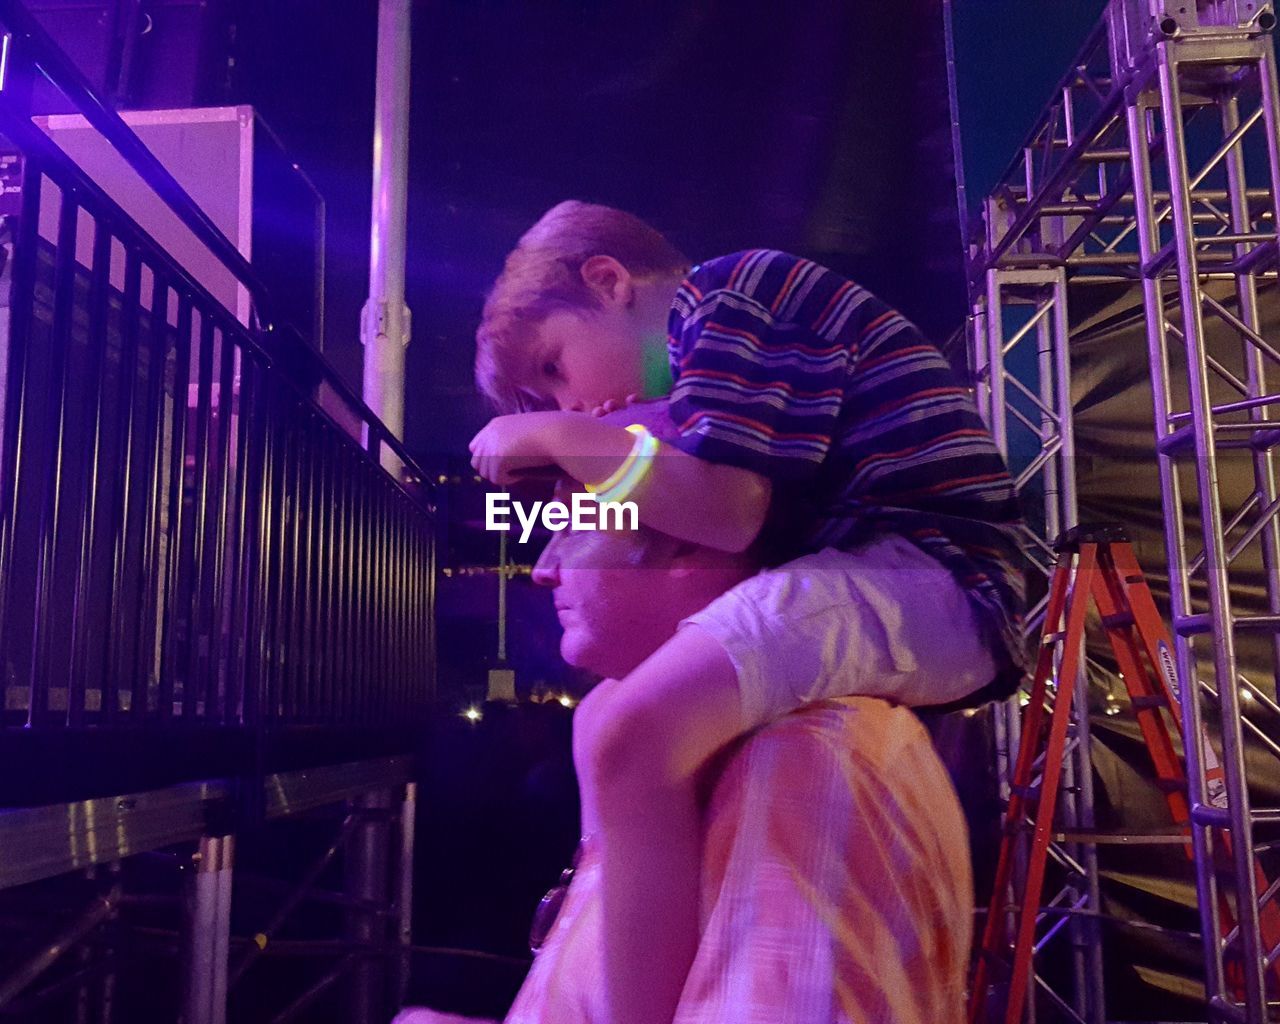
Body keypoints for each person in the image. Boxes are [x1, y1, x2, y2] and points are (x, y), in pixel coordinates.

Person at [467, 201, 1025, 1024]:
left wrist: (551, 434)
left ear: (609, 281)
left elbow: (725, 513)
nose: (571, 399)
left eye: (553, 366)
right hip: (889, 571)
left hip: (932, 570)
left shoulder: (731, 295)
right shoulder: (713, 368)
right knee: (608, 723)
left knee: (635, 736)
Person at [396, 402, 976, 1024]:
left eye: (574, 529)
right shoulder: (694, 754)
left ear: (679, 536)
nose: (543, 570)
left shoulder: (807, 765)